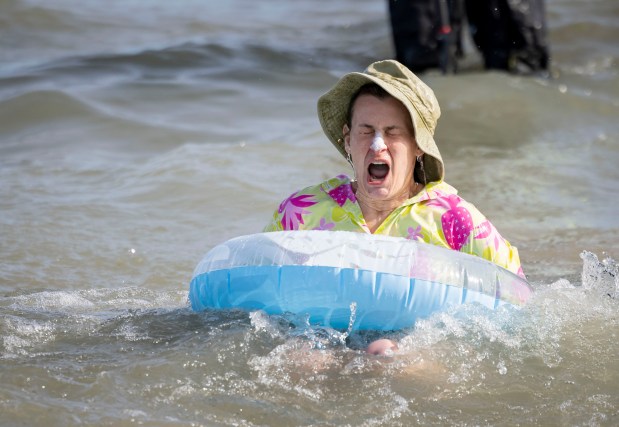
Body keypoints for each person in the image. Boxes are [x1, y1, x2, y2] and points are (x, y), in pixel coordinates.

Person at [264, 59, 525, 353]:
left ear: (418, 147)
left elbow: (516, 297)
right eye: (366, 131)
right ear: (348, 139)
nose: (377, 145)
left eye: (392, 132)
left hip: (413, 344)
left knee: (385, 352)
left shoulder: (453, 219)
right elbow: (258, 284)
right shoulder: (302, 211)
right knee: (305, 357)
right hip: (326, 334)